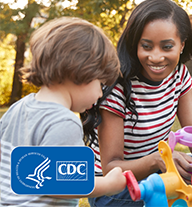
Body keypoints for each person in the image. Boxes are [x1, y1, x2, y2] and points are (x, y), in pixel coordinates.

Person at [83, 0, 192, 207]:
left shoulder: (179, 75)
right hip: (114, 189)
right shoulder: (117, 86)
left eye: (166, 47)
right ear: (135, 44)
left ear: (182, 45)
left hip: (158, 174)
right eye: (146, 46)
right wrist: (160, 160)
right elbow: (112, 167)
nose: (156, 57)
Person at [0, 18, 126, 207]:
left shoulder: (18, 107)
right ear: (80, 72)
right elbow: (61, 184)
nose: (101, 94)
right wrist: (108, 184)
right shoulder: (64, 121)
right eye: (100, 84)